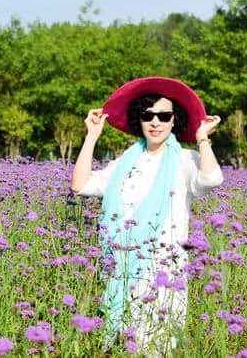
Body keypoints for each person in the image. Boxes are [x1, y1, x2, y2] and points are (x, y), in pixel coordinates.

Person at [70, 77, 224, 356]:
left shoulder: (185, 161)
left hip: (164, 271)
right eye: (148, 115)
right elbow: (80, 186)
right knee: (124, 346)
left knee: (155, 346)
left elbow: (212, 179)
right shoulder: (125, 163)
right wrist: (92, 136)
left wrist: (203, 138)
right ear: (138, 120)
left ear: (174, 120)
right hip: (123, 267)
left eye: (164, 116)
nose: (155, 122)